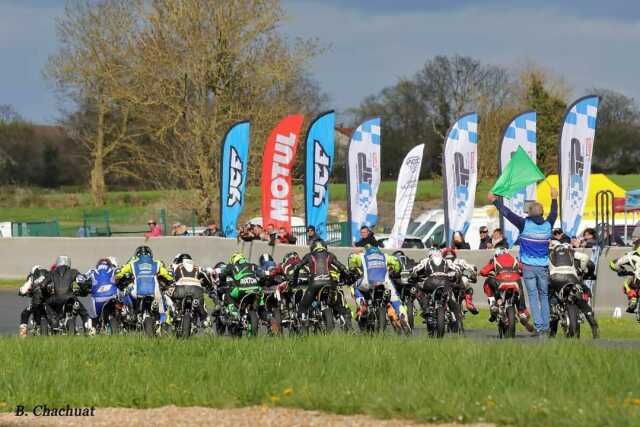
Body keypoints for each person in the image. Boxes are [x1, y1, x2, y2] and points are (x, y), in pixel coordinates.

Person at [489, 186, 558, 336]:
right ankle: (546, 327)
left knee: (533, 296)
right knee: (544, 296)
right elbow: (554, 214)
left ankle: (539, 328)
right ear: (542, 213)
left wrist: (495, 201)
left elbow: (508, 213)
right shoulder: (548, 225)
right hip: (543, 267)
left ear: (529, 213)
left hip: (528, 267)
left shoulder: (524, 224)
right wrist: (554, 198)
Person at [548, 240, 599, 338]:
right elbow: (585, 258)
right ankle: (593, 325)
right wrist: (582, 271)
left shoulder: (549, 252)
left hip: (555, 278)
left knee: (547, 296)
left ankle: (552, 317)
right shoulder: (569, 251)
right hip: (572, 278)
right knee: (582, 299)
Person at [293, 241, 350, 326]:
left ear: (312, 248)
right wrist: (345, 279)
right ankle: (343, 318)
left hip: (314, 284)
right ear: (325, 247)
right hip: (330, 283)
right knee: (337, 304)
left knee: (303, 306)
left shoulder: (309, 256)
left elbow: (297, 267)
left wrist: (295, 282)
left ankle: (304, 321)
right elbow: (343, 268)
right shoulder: (330, 255)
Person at [479, 247, 535, 333]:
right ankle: (522, 312)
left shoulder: (494, 259)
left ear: (496, 254)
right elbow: (525, 270)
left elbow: (483, 271)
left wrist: (487, 273)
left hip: (501, 282)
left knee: (489, 281)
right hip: (515, 283)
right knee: (518, 283)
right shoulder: (514, 259)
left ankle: (493, 302)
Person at [115, 246, 174, 325]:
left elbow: (119, 274)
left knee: (127, 291)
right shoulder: (157, 263)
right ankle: (163, 322)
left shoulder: (132, 263)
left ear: (136, 255)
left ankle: (132, 311)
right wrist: (171, 280)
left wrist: (117, 276)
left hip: (137, 292)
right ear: (150, 254)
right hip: (155, 292)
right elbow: (168, 276)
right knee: (162, 301)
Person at [348, 245, 403, 320]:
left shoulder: (362, 257)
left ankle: (362, 302)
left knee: (354, 287)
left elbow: (351, 260)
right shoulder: (384, 257)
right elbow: (396, 262)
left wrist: (351, 270)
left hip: (368, 282)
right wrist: (396, 272)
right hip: (384, 282)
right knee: (393, 293)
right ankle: (397, 310)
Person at [43, 256, 93, 333]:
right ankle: (88, 329)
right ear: (68, 263)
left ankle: (53, 320)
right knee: (84, 313)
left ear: (57, 263)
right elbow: (82, 281)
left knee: (46, 304)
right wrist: (85, 289)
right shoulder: (74, 271)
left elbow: (43, 284)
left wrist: (46, 290)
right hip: (71, 298)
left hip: (55, 299)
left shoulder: (51, 273)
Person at [218, 252, 266, 318]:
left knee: (228, 292)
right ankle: (264, 313)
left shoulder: (231, 266)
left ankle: (233, 309)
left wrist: (222, 282)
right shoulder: (252, 265)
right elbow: (263, 275)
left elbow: (222, 275)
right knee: (261, 295)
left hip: (241, 290)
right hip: (256, 289)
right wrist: (259, 283)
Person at [170, 253, 211, 326]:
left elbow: (169, 275)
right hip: (196, 290)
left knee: (171, 297)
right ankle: (204, 319)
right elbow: (206, 277)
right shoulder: (198, 267)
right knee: (201, 302)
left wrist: (170, 283)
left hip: (181, 289)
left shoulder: (175, 266)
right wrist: (210, 286)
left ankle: (174, 312)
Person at [441, 247, 479, 314]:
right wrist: (474, 276)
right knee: (468, 288)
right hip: (459, 282)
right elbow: (472, 268)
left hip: (444, 282)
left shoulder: (441, 262)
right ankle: (469, 303)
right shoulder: (460, 261)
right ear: (454, 254)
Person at [18, 265, 51, 337]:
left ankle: (23, 335)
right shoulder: (49, 275)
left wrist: (20, 291)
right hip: (50, 302)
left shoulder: (32, 276)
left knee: (24, 313)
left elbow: (23, 290)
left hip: (37, 301)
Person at [609, 243, 640, 313]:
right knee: (629, 282)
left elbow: (613, 264)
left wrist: (621, 270)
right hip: (637, 277)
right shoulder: (631, 256)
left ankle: (633, 299)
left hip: (637, 279)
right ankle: (634, 300)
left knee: (626, 284)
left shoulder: (631, 256)